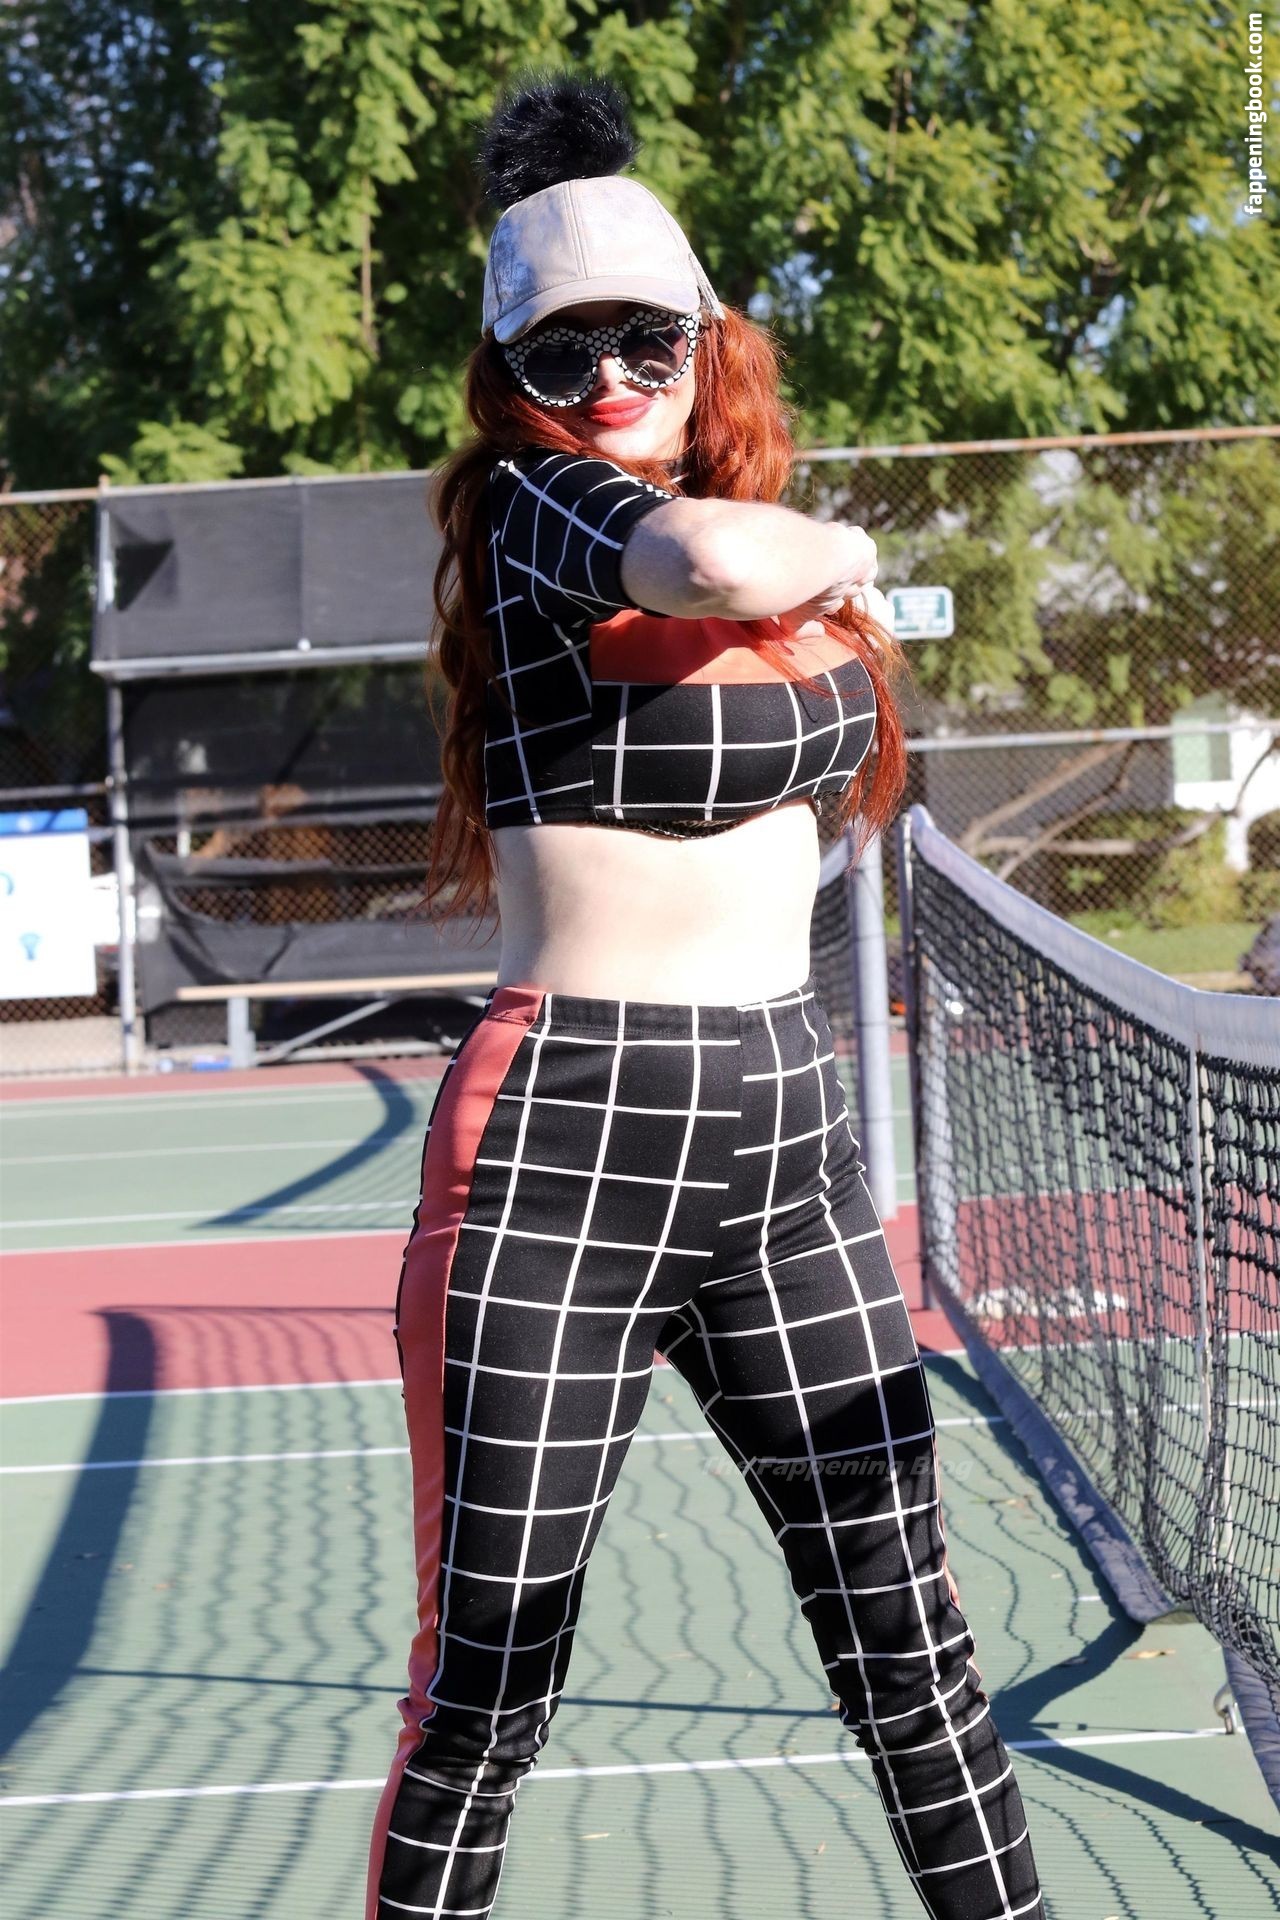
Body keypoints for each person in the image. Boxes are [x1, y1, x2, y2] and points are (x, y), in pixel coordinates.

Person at [365, 70, 1044, 1920]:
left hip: (785, 1143)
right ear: (512, 376)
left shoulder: (736, 540)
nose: (606, 382)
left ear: (707, 340)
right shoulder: (542, 510)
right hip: (563, 1151)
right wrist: (856, 549)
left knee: (913, 1649)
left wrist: (809, 569)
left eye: (643, 343)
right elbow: (725, 560)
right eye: (560, 352)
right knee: (488, 1691)